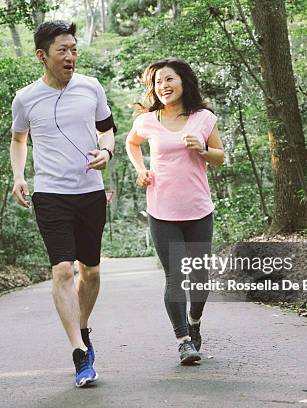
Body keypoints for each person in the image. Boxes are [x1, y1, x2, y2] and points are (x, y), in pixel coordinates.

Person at [10, 20, 116, 387]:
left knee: (91, 272)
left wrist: (107, 151)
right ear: (42, 56)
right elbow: (19, 139)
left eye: (74, 49)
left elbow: (107, 128)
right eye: (62, 50)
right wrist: (19, 175)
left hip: (90, 192)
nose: (70, 56)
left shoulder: (91, 88)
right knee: (62, 271)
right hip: (50, 194)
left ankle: (83, 330)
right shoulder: (25, 98)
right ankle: (78, 353)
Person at [125, 58, 224, 365]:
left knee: (199, 279)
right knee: (175, 278)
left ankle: (194, 322)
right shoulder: (148, 120)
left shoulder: (203, 118)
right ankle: (183, 341)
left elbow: (220, 157)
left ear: (183, 82)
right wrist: (141, 168)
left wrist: (203, 150)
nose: (163, 86)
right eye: (157, 82)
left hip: (198, 210)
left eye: (169, 79)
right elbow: (132, 143)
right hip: (162, 210)